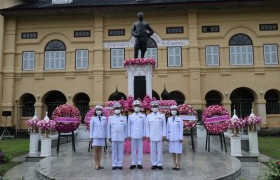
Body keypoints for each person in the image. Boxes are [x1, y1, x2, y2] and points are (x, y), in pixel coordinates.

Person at [146, 101, 166, 170]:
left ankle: (159, 163)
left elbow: (164, 126)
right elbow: (147, 127)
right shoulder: (148, 116)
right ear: (151, 108)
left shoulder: (162, 115)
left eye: (156, 107)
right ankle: (154, 163)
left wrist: (164, 135)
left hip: (160, 135)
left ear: (158, 107)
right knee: (153, 150)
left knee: (160, 150)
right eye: (153, 107)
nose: (154, 108)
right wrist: (147, 135)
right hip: (152, 136)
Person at [107, 102, 127, 170]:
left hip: (121, 137)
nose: (117, 109)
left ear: (120, 109)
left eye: (118, 108)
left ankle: (120, 164)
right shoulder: (110, 118)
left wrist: (125, 136)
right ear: (113, 109)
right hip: (114, 137)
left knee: (120, 151)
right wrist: (109, 136)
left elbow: (126, 128)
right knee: (114, 151)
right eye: (116, 108)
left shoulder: (124, 118)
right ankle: (114, 164)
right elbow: (108, 128)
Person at [128, 100, 146, 169]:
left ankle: (139, 163)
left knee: (140, 149)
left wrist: (144, 134)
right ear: (133, 107)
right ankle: (133, 163)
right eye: (135, 106)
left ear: (140, 107)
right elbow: (129, 126)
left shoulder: (143, 116)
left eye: (138, 106)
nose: (136, 107)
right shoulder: (130, 116)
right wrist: (129, 134)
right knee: (133, 150)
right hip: (133, 135)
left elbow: (145, 126)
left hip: (141, 135)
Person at [89, 105, 107, 170]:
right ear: (95, 111)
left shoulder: (104, 118)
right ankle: (96, 164)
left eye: (100, 110)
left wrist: (106, 136)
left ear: (101, 111)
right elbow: (91, 128)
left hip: (102, 136)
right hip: (95, 136)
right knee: (95, 150)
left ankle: (99, 164)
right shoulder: (93, 118)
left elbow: (105, 128)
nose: (98, 111)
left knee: (100, 151)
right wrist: (91, 137)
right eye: (97, 110)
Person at [166, 105, 183, 170]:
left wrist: (181, 138)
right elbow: (167, 128)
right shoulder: (169, 119)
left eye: (175, 110)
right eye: (172, 110)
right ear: (170, 111)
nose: (173, 111)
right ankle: (174, 164)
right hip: (171, 138)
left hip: (178, 138)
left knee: (178, 151)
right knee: (173, 151)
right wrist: (167, 137)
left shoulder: (179, 119)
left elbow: (181, 129)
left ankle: (178, 164)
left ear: (177, 111)